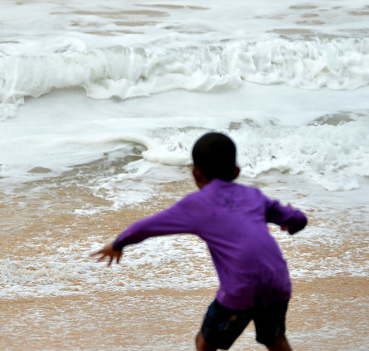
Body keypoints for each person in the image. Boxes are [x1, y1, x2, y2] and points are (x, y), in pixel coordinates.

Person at [91, 132, 308, 351]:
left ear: (196, 174)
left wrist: (117, 244)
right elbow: (297, 219)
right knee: (274, 339)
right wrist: (290, 222)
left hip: (241, 288)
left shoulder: (196, 204)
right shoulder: (254, 195)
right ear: (236, 172)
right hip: (278, 282)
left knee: (204, 342)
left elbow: (145, 227)